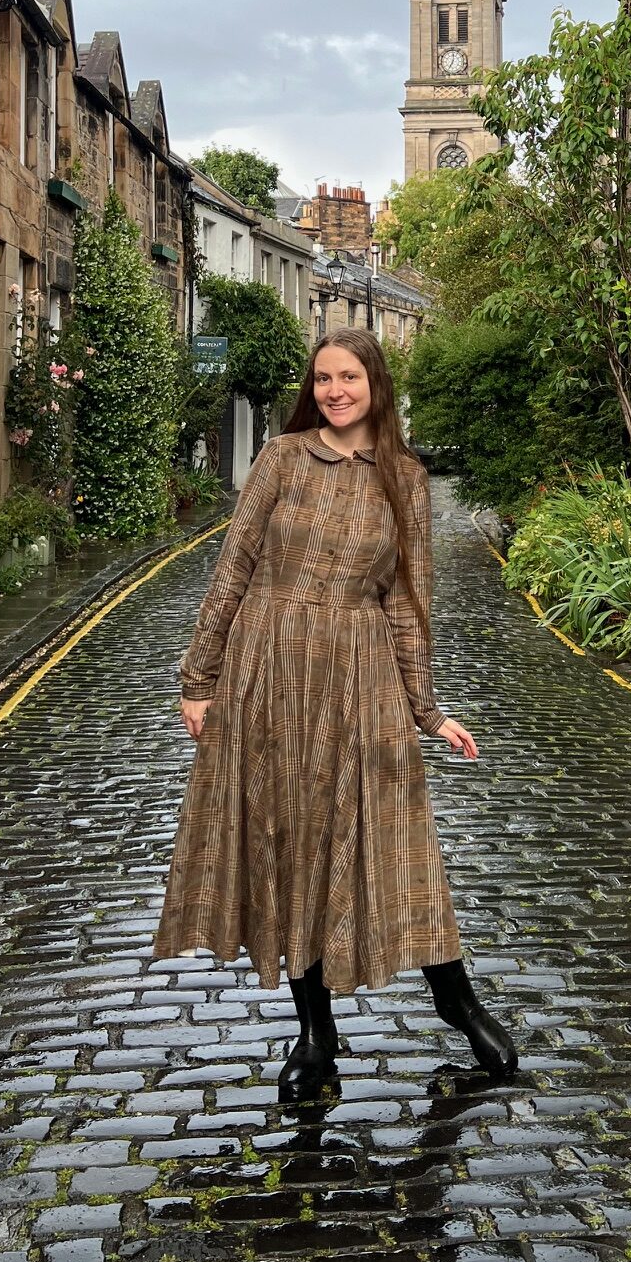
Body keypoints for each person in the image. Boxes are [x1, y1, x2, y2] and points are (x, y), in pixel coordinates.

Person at [153, 326, 518, 1099]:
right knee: (294, 845)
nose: (335, 390)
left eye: (349, 376)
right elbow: (233, 569)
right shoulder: (281, 460)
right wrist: (198, 676)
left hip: (361, 677)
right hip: (268, 671)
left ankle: (458, 1003)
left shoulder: (405, 480)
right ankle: (316, 1037)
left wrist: (425, 709)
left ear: (375, 385)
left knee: (395, 839)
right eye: (323, 378)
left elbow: (409, 603)